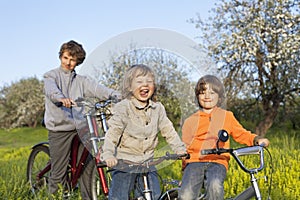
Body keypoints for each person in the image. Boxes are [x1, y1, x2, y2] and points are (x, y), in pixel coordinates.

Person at [43, 40, 120, 199]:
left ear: (78, 61)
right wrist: (61, 98)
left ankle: (88, 196)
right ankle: (52, 196)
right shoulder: (51, 76)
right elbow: (51, 91)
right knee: (59, 171)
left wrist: (118, 96)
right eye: (65, 58)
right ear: (61, 56)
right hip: (60, 129)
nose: (68, 63)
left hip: (80, 127)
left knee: (88, 164)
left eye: (72, 60)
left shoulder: (82, 81)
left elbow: (99, 89)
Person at [101, 64, 186, 200]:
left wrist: (179, 149)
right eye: (139, 82)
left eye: (149, 82)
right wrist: (109, 154)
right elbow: (113, 134)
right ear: (130, 87)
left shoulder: (158, 108)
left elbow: (168, 130)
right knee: (119, 196)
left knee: (154, 195)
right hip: (125, 162)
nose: (144, 85)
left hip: (148, 162)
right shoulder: (123, 107)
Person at [178, 75, 270, 200]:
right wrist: (184, 174)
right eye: (202, 93)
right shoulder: (190, 121)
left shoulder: (226, 116)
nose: (207, 96)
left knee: (215, 186)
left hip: (217, 161)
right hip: (195, 161)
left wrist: (256, 139)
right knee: (186, 195)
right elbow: (185, 148)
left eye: (212, 92)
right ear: (197, 96)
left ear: (219, 97)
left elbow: (241, 133)